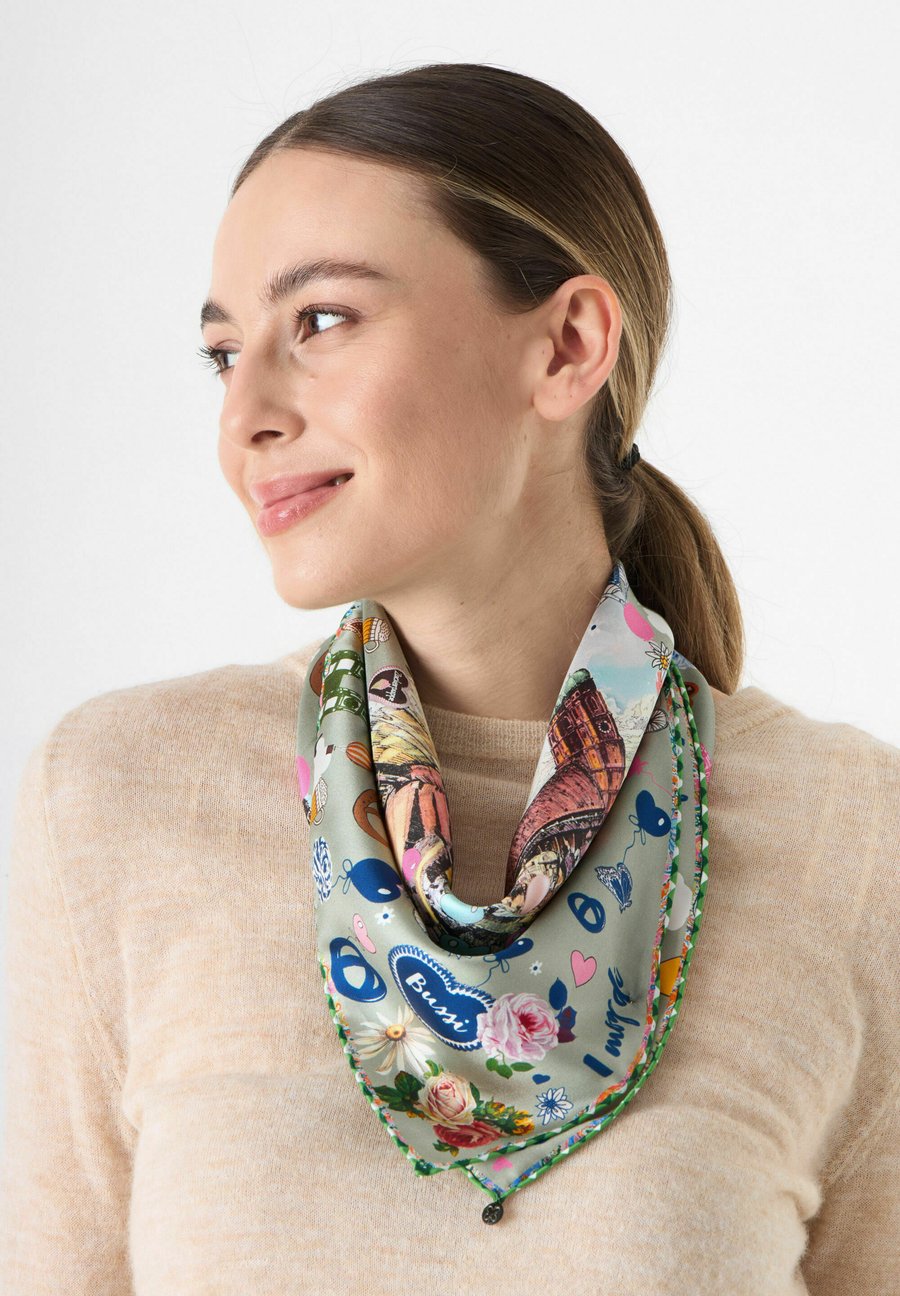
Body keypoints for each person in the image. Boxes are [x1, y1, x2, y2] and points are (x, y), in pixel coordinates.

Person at [2, 62, 897, 1295]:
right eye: (223, 354)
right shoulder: (120, 798)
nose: (244, 414)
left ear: (567, 346)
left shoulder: (856, 843)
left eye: (321, 321)